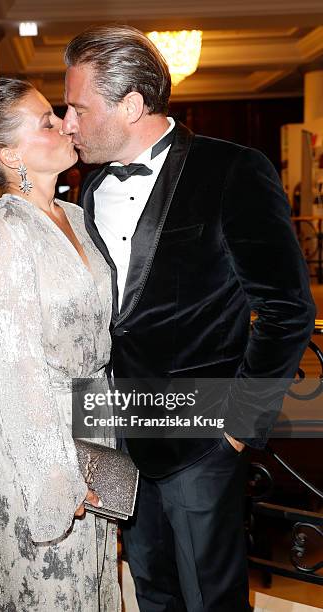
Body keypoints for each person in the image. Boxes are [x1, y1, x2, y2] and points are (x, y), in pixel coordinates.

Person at [62, 25, 316, 612]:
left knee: (213, 600)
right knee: (151, 591)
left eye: (77, 107)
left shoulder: (233, 170)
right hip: (116, 433)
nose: (68, 122)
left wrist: (236, 428)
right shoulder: (90, 187)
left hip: (201, 441)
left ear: (130, 105)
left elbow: (286, 307)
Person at [0, 77, 121, 612]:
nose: (67, 123)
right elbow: (18, 371)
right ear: (10, 154)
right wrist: (57, 477)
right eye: (46, 122)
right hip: (38, 432)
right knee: (55, 586)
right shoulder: (3, 231)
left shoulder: (75, 216)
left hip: (94, 413)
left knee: (97, 575)